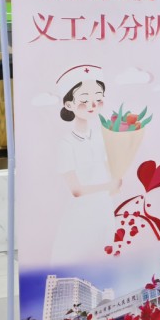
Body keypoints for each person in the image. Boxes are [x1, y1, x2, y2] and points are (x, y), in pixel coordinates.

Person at [51, 69, 122, 268]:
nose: (92, 105)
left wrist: (116, 180)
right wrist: (109, 185)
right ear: (69, 104)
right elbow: (76, 190)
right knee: (78, 265)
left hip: (104, 210)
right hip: (81, 215)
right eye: (84, 100)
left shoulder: (100, 135)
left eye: (98, 99)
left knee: (105, 261)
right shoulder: (67, 144)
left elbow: (110, 167)